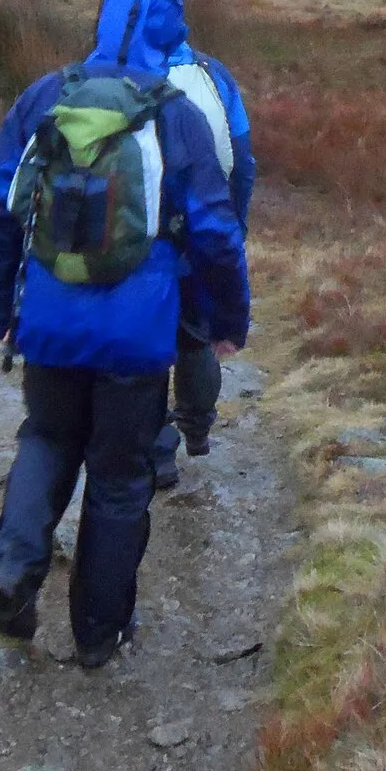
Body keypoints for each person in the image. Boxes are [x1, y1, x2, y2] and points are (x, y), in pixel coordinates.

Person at [0, 0, 251, 668]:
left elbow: (0, 210)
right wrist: (228, 321)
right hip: (137, 337)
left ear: (104, 19)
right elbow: (218, 233)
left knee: (44, 438)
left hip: (48, 321)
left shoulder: (46, 97)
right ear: (170, 28)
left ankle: (12, 571)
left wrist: (3, 310)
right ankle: (100, 635)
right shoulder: (175, 112)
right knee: (122, 478)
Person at [149, 38, 254, 491]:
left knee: (148, 341)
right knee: (196, 333)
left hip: (139, 238)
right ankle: (197, 429)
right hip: (200, 231)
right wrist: (236, 225)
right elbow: (242, 157)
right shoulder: (214, 73)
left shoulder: (117, 72)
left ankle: (157, 452)